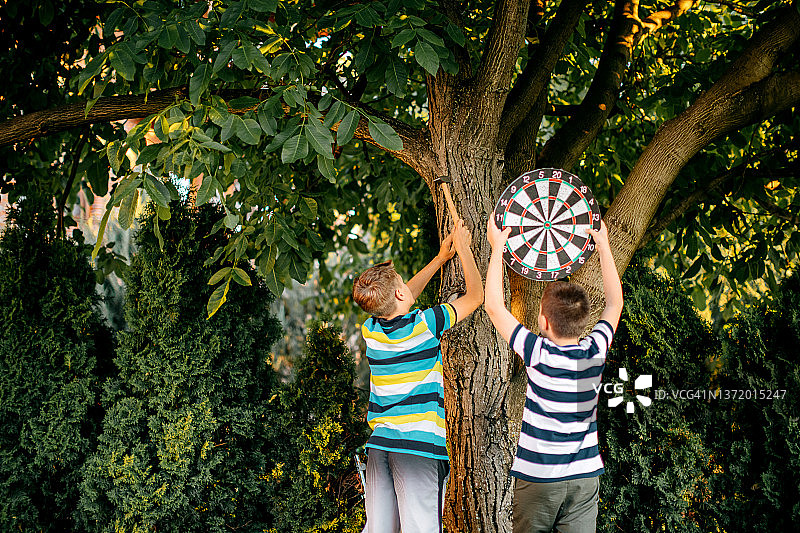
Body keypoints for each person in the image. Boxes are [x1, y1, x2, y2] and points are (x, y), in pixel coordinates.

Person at [484, 219, 624, 533]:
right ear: (584, 321)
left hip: (537, 479)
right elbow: (615, 303)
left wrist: (497, 249)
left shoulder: (537, 352)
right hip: (584, 479)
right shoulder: (595, 352)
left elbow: (494, 306)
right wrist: (603, 245)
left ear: (544, 322)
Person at [352, 219, 483, 533]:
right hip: (418, 449)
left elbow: (397, 297)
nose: (406, 286)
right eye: (401, 283)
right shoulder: (426, 324)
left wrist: (439, 259)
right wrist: (463, 250)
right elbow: (476, 296)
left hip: (381, 448)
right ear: (398, 294)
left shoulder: (371, 332)